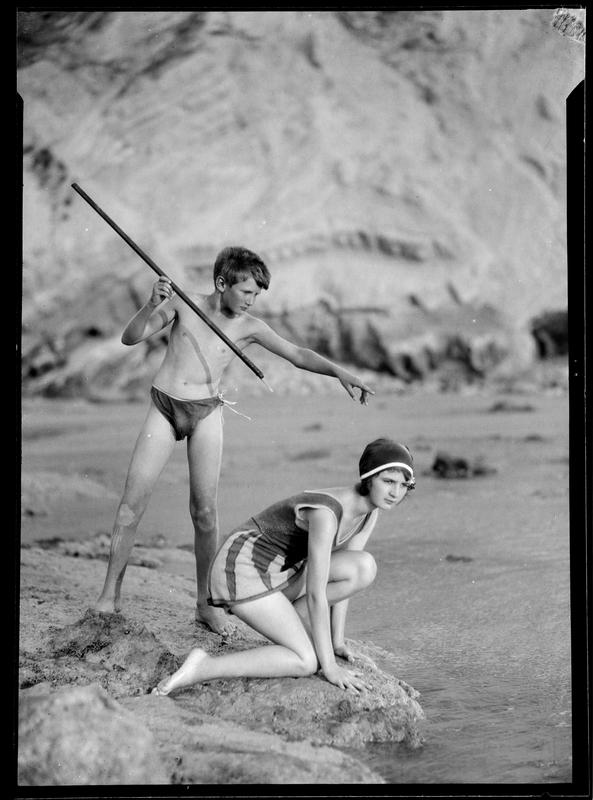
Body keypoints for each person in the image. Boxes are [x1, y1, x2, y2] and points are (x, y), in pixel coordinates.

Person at [94, 246, 374, 634]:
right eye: (246, 292)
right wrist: (150, 305)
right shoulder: (183, 303)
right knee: (130, 507)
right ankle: (109, 596)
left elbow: (297, 354)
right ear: (221, 283)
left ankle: (206, 606)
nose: (251, 301)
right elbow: (131, 337)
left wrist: (340, 372)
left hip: (207, 411)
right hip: (164, 406)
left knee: (205, 513)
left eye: (257, 295)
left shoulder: (250, 327)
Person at [151, 438, 415, 695]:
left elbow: (345, 584)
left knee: (364, 567)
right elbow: (316, 592)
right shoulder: (327, 513)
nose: (395, 492)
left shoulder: (370, 511)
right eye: (388, 481)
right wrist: (330, 668)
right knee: (306, 661)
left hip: (281, 572)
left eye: (403, 485)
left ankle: (292, 617)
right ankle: (203, 666)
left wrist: (337, 642)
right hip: (241, 568)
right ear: (369, 478)